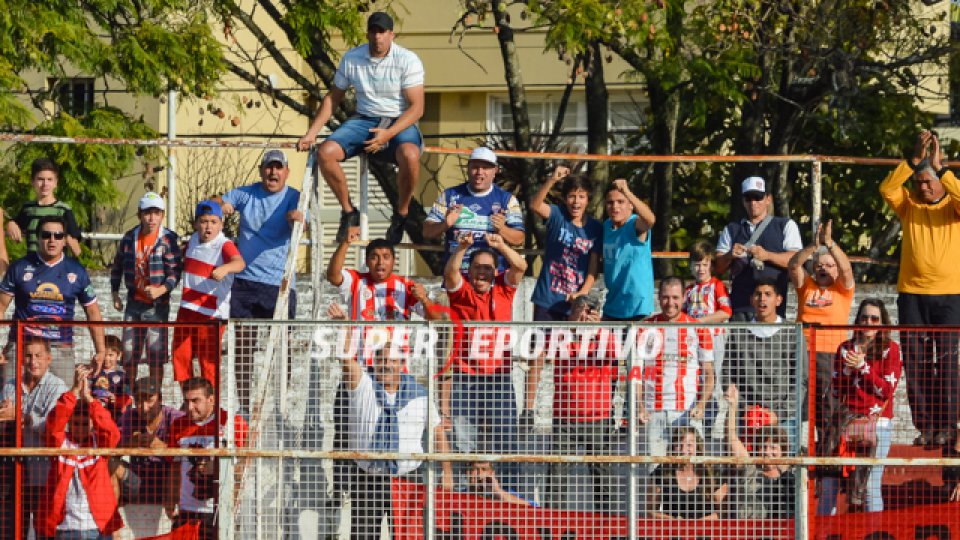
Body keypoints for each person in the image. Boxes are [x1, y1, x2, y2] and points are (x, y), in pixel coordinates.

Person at [297, 11, 424, 244]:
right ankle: (348, 211)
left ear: (391, 35)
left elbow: (417, 108)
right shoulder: (352, 58)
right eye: (374, 31)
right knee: (326, 152)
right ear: (367, 34)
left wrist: (388, 134)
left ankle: (402, 213)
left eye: (382, 32)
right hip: (364, 119)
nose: (378, 37)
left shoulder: (408, 60)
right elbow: (333, 98)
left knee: (410, 154)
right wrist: (311, 133)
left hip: (398, 119)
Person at [880, 129, 960, 447]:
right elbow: (887, 188)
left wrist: (942, 169)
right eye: (919, 182)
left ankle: (948, 426)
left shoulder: (953, 207)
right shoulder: (909, 205)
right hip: (912, 294)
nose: (923, 186)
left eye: (929, 181)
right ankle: (925, 427)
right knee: (916, 360)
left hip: (950, 294)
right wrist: (912, 163)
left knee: (949, 361)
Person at [339, 343, 453, 540]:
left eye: (392, 360)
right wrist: (343, 326)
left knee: (407, 536)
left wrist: (447, 470)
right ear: (374, 363)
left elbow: (438, 433)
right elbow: (346, 359)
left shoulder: (420, 396)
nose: (386, 365)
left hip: (407, 480)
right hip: (368, 479)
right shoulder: (363, 385)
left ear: (402, 364)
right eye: (382, 360)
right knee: (363, 536)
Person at [441, 232, 526, 496]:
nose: (482, 273)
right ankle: (465, 495)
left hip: (499, 377)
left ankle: (509, 493)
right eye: (477, 268)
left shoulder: (503, 288)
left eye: (488, 268)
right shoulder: (462, 291)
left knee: (506, 438)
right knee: (464, 439)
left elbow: (521, 266)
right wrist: (462, 249)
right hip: (467, 377)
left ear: (496, 271)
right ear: (470, 270)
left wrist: (501, 244)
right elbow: (451, 273)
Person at [527, 297, 619, 512]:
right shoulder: (561, 335)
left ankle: (606, 528)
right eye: (580, 310)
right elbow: (540, 354)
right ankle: (553, 526)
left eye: (590, 311)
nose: (585, 315)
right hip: (565, 417)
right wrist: (574, 327)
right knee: (557, 475)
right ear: (571, 313)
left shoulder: (605, 335)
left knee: (603, 477)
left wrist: (596, 332)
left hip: (598, 417)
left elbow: (616, 357)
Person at [817, 299, 902, 515]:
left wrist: (863, 367)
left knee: (871, 486)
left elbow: (886, 390)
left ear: (882, 323)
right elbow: (836, 391)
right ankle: (825, 532)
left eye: (874, 318)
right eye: (864, 317)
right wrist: (847, 370)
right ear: (858, 320)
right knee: (829, 483)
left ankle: (872, 534)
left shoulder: (891, 350)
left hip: (877, 424)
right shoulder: (845, 348)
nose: (869, 322)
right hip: (845, 422)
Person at [0, 216, 106, 383]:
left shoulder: (76, 270)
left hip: (60, 347)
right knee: (11, 403)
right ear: (37, 238)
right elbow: (1, 306)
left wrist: (101, 351)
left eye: (58, 235)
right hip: (22, 345)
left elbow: (93, 312)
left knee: (62, 404)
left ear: (64, 240)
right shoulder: (19, 267)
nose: (52, 240)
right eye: (46, 235)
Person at [37, 364, 124, 539]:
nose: (79, 428)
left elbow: (112, 431)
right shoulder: (61, 444)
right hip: (64, 527)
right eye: (75, 424)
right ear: (70, 423)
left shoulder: (99, 443)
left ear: (91, 424)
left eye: (85, 424)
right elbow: (54, 423)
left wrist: (90, 400)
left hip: (97, 526)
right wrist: (74, 390)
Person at [218, 149, 304, 320]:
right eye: (268, 167)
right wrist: (223, 205)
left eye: (278, 167)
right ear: (260, 170)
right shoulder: (247, 193)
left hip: (279, 281)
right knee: (243, 342)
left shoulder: (294, 197)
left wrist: (295, 218)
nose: (273, 172)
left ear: (287, 172)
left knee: (282, 341)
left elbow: (303, 224)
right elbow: (217, 202)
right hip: (244, 279)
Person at [110, 192, 182, 385]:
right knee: (128, 352)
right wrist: (115, 292)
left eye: (156, 213)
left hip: (157, 306)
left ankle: (154, 397)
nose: (152, 218)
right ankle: (128, 396)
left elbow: (175, 272)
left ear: (162, 215)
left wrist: (162, 289)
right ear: (139, 214)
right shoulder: (129, 237)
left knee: (156, 354)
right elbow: (117, 266)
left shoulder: (168, 239)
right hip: (134, 303)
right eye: (147, 213)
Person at [171, 201, 245, 387]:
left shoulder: (224, 244)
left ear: (221, 224)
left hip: (211, 313)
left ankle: (212, 405)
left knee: (208, 361)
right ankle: (190, 399)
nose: (208, 226)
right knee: (180, 356)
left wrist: (226, 268)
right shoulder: (192, 241)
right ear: (196, 224)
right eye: (204, 221)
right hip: (187, 308)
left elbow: (240, 263)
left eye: (213, 221)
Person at [0, 338, 69, 537]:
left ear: (49, 359)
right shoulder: (10, 386)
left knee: (45, 532)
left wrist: (22, 417)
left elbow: (53, 427)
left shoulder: (57, 387)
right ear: (21, 359)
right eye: (28, 356)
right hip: (13, 475)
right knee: (12, 532)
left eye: (38, 356)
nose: (33, 361)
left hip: (44, 473)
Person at [724, 278, 802, 451]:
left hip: (782, 416)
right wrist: (743, 406)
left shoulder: (792, 332)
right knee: (743, 472)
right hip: (746, 415)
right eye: (758, 294)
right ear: (751, 299)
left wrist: (779, 413)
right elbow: (727, 374)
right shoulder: (739, 332)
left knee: (784, 472)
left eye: (768, 294)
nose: (762, 299)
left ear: (778, 300)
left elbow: (800, 380)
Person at [641, 277, 715, 459]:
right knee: (655, 470)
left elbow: (709, 373)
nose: (670, 303)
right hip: (653, 410)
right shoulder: (645, 327)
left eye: (675, 297)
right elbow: (636, 372)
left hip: (686, 411)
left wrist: (701, 404)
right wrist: (640, 406)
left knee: (691, 467)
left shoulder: (698, 329)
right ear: (658, 298)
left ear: (683, 298)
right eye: (665, 297)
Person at [166, 377, 247, 540]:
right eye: (187, 401)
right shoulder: (178, 424)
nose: (190, 407)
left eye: (196, 401)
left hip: (217, 510)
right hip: (186, 509)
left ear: (211, 399)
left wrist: (233, 504)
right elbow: (175, 467)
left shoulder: (232, 423)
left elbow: (241, 467)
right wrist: (171, 499)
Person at [423, 147, 525, 272]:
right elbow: (427, 232)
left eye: (485, 168)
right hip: (457, 275)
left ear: (495, 171)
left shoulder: (507, 200)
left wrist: (502, 229)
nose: (479, 172)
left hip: (492, 276)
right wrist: (446, 224)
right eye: (475, 167)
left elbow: (519, 239)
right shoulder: (449, 195)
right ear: (468, 168)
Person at [715, 176, 802, 320]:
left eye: (758, 197)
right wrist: (730, 255)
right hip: (741, 306)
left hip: (773, 310)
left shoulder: (786, 225)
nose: (753, 203)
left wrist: (768, 255)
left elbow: (795, 261)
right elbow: (717, 267)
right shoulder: (731, 229)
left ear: (768, 199)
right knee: (739, 342)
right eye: (748, 198)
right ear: (743, 201)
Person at [528, 165, 603, 321]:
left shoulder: (595, 228)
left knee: (570, 344)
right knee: (541, 345)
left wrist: (581, 294)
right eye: (571, 196)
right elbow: (535, 205)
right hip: (547, 299)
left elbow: (593, 269)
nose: (576, 202)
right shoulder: (557, 215)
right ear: (564, 198)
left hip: (574, 304)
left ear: (588, 199)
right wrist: (552, 179)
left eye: (581, 196)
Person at [117, 377, 185, 538]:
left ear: (160, 399)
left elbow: (187, 456)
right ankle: (112, 521)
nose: (144, 407)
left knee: (176, 466)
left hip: (167, 481)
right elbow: (112, 450)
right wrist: (130, 445)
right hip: (138, 481)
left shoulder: (176, 418)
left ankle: (172, 519)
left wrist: (162, 447)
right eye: (139, 401)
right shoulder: (129, 417)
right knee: (111, 463)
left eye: (149, 400)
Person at [724, 384, 795, 519]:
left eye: (773, 447)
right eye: (764, 446)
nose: (768, 452)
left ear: (783, 451)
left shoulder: (790, 476)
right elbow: (732, 438)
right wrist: (732, 408)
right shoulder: (750, 468)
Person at [326, 237, 436, 322]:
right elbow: (333, 276)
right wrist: (345, 243)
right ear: (367, 261)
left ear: (394, 261)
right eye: (374, 257)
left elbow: (436, 319)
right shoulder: (356, 280)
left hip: (396, 351)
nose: (380, 262)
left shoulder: (406, 286)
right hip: (362, 351)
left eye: (386, 257)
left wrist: (424, 299)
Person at [601, 178, 656, 321]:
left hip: (636, 308)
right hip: (613, 305)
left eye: (620, 202)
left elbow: (650, 220)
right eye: (610, 202)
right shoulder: (606, 226)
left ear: (631, 205)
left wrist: (626, 191)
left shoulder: (634, 224)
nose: (615, 207)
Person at [5, 158, 82, 257]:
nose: (45, 184)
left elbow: (77, 249)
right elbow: (16, 223)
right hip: (32, 264)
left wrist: (64, 237)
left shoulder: (64, 210)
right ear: (32, 182)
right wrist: (11, 223)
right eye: (40, 179)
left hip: (56, 267)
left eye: (49, 179)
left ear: (56, 183)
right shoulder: (28, 208)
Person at [647, 426, 724, 520]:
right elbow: (651, 512)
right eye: (678, 445)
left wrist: (697, 524)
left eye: (689, 445)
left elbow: (723, 512)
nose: (683, 450)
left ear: (698, 447)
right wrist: (675, 521)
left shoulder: (711, 473)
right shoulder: (662, 471)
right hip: (672, 531)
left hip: (704, 532)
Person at [88, 334, 131, 422]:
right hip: (96, 414)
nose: (106, 358)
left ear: (119, 355)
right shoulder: (94, 373)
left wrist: (117, 400)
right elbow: (86, 390)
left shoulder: (123, 376)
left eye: (111, 355)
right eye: (104, 355)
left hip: (116, 416)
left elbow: (128, 398)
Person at [462, 461, 534, 507]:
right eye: (475, 469)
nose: (479, 474)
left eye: (484, 469)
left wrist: (497, 491)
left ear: (492, 473)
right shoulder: (459, 496)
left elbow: (531, 507)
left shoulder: (507, 494)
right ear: (467, 473)